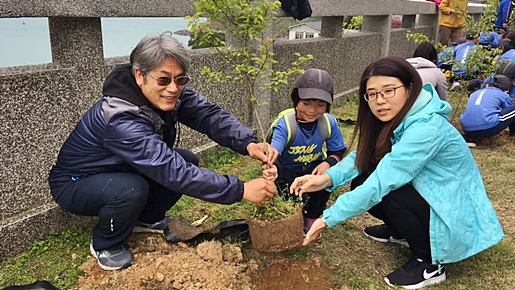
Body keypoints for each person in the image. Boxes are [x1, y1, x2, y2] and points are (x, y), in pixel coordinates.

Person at [48, 32, 279, 271]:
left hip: (120, 169)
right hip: (75, 182)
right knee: (132, 188)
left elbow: (207, 115)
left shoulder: (167, 94)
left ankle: (146, 219)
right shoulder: (120, 118)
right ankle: (106, 243)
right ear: (140, 75)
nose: (173, 88)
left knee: (186, 158)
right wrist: (240, 190)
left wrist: (248, 143)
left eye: (180, 80)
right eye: (164, 80)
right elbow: (171, 170)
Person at [289, 56, 504, 289]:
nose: (379, 101)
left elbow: (384, 181)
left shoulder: (426, 128)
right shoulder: (398, 117)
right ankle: (402, 231)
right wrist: (325, 178)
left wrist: (326, 219)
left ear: (409, 88)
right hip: (428, 194)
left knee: (389, 191)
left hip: (452, 212)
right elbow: (362, 157)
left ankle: (429, 263)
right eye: (372, 94)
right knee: (362, 180)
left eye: (388, 90)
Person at [263, 69, 347, 234]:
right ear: (296, 100)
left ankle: (312, 217)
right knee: (290, 197)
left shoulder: (328, 123)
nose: (312, 110)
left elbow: (338, 151)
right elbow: (274, 153)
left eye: (320, 105)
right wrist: (272, 168)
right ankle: (292, 216)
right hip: (286, 169)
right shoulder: (285, 125)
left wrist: (327, 163)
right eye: (306, 103)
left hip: (313, 167)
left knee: (323, 184)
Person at [461, 75, 515, 147]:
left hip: (466, 128)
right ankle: (513, 133)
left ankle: (469, 138)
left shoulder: (475, 93)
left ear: (487, 85)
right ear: (506, 91)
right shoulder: (503, 94)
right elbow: (509, 110)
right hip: (488, 127)